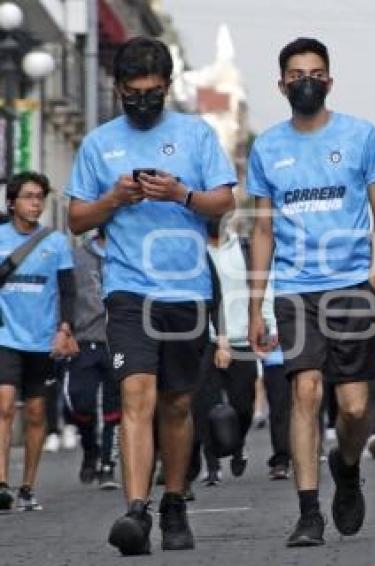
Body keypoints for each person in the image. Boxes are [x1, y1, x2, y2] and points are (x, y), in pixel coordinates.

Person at [67, 37, 237, 555]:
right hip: (127, 290)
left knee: (179, 403)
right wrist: (114, 199)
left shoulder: (195, 134)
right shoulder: (98, 143)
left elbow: (225, 202)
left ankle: (175, 503)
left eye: (154, 92)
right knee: (136, 396)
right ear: (118, 89)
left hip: (186, 291)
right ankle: (136, 512)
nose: (143, 101)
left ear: (167, 88)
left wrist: (180, 193)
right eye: (134, 93)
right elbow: (76, 219)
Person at [246, 37, 375, 547]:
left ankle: (346, 466)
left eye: (315, 72)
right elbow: (262, 231)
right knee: (304, 392)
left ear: (329, 80)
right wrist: (256, 305)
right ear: (281, 83)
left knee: (355, 410)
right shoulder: (266, 146)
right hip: (296, 290)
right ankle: (309, 513)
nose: (305, 80)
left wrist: (373, 278)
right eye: (295, 73)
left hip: (351, 286)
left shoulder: (360, 136)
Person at [0, 172, 77, 512]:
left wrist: (65, 328)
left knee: (35, 413)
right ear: (11, 202)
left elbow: (68, 291)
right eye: (28, 196)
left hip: (43, 339)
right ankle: (1, 482)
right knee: (3, 405)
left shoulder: (57, 242)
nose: (35, 203)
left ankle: (27, 486)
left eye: (39, 197)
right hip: (4, 334)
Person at [190, 219, 276, 487]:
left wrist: (268, 322)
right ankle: (212, 464)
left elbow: (264, 287)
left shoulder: (245, 248)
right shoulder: (194, 250)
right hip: (206, 340)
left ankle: (236, 443)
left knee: (243, 405)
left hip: (242, 338)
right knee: (204, 405)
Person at [66, 227, 121, 490]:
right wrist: (64, 330)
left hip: (119, 342)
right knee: (81, 401)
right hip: (84, 338)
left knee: (116, 405)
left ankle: (109, 465)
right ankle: (90, 448)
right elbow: (64, 295)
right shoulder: (77, 255)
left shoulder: (129, 252)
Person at [262, 347, 293, 480]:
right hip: (276, 357)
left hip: (310, 355)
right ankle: (281, 460)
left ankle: (310, 452)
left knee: (309, 406)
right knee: (279, 409)